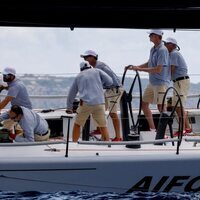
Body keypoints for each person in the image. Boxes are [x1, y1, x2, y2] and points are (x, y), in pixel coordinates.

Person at [125, 29, 170, 132]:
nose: (149, 36)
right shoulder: (153, 49)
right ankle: (153, 129)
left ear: (157, 36)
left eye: (151, 35)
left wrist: (139, 69)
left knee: (161, 107)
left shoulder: (163, 50)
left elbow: (158, 69)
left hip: (160, 83)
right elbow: (149, 63)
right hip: (152, 82)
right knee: (144, 104)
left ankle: (164, 132)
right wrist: (135, 67)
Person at [80, 50, 124, 141]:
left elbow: (111, 79)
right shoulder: (95, 67)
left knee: (113, 113)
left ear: (93, 57)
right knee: (97, 108)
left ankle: (118, 137)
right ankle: (99, 130)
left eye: (86, 57)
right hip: (109, 90)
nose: (85, 59)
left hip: (114, 90)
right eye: (84, 58)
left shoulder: (100, 66)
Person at [66, 61, 113, 142]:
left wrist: (69, 107)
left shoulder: (78, 76)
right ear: (89, 66)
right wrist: (101, 84)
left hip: (85, 104)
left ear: (81, 69)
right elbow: (110, 81)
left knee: (78, 124)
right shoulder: (97, 71)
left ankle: (74, 144)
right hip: (99, 103)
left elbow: (71, 93)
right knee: (103, 125)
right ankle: (107, 144)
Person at [164, 37, 192, 136]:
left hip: (180, 81)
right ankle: (187, 128)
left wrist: (164, 80)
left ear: (173, 45)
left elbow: (171, 69)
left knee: (179, 106)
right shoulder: (172, 54)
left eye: (167, 43)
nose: (165, 45)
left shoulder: (174, 54)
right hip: (178, 82)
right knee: (176, 106)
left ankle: (182, 130)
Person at [0, 67, 32, 133]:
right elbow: (10, 87)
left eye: (6, 75)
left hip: (23, 111)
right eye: (4, 75)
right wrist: (4, 88)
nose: (4, 77)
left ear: (12, 76)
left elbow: (6, 100)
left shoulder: (15, 86)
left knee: (5, 124)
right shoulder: (16, 82)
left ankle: (11, 137)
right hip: (17, 109)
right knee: (2, 119)